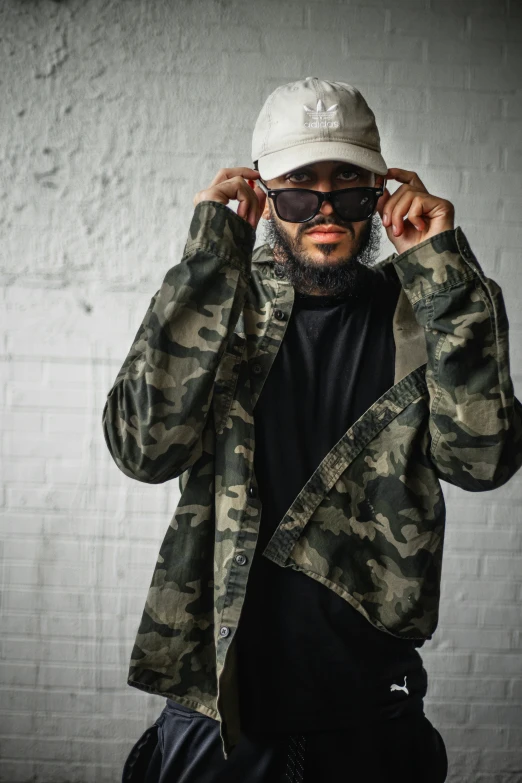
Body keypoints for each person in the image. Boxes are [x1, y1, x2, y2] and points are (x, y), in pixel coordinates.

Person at [103, 77, 522, 783]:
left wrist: (445, 270)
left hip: (370, 720)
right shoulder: (220, 301)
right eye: (300, 189)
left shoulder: (430, 306)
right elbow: (143, 449)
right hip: (219, 718)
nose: (325, 211)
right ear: (265, 195)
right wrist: (210, 257)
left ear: (380, 195)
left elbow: (483, 461)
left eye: (350, 188)